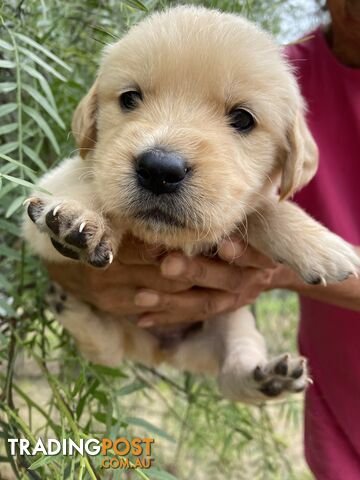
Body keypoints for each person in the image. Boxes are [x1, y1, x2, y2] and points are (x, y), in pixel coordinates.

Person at [47, 0, 360, 477]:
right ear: (91, 114)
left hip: (253, 351)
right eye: (131, 99)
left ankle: (241, 372)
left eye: (240, 120)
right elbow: (48, 213)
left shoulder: (274, 90)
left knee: (238, 333)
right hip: (128, 327)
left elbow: (264, 210)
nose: (163, 157)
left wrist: (276, 256)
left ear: (289, 159)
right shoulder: (277, 63)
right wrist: (70, 258)